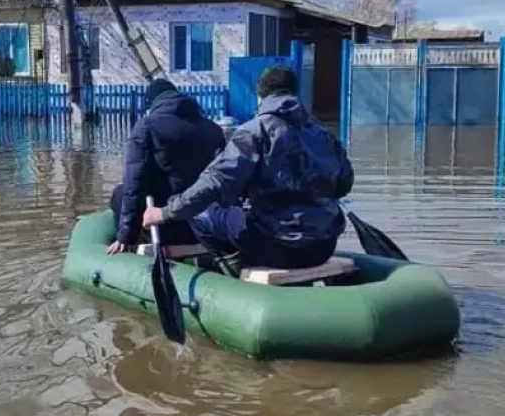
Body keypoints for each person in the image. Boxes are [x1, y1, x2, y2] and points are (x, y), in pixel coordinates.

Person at [142, 65, 354, 270]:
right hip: (324, 245)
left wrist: (165, 213)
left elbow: (213, 183)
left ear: (260, 95)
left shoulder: (253, 132)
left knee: (201, 215)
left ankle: (233, 269)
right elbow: (344, 183)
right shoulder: (323, 134)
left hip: (278, 246)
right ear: (294, 92)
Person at [107, 78, 226, 255]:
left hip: (165, 223)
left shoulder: (147, 126)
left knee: (120, 193)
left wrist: (126, 236)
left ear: (151, 103)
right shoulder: (214, 129)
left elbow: (134, 184)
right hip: (204, 225)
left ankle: (133, 245)